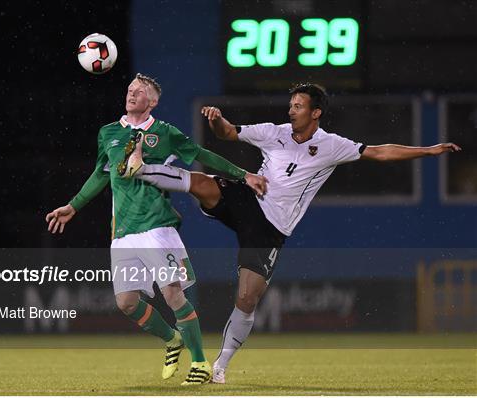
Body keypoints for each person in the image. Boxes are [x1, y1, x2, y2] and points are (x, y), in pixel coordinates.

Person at [118, 83, 462, 384]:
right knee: (205, 184)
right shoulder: (274, 131)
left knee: (247, 299)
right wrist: (217, 119)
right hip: (249, 199)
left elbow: (380, 152)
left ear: (316, 113)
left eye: (298, 106)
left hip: (271, 227)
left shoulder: (332, 145)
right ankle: (141, 169)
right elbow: (228, 133)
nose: (291, 110)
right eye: (291, 105)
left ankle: (219, 367)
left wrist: (429, 150)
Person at [45, 73, 267, 386]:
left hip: (157, 228)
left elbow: (203, 155)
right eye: (129, 89)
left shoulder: (165, 133)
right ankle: (172, 339)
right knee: (126, 303)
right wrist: (73, 206)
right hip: (122, 233)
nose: (132, 93)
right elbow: (100, 174)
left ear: (153, 101)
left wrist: (244, 175)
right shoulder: (108, 133)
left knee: (173, 294)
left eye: (140, 91)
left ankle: (200, 363)